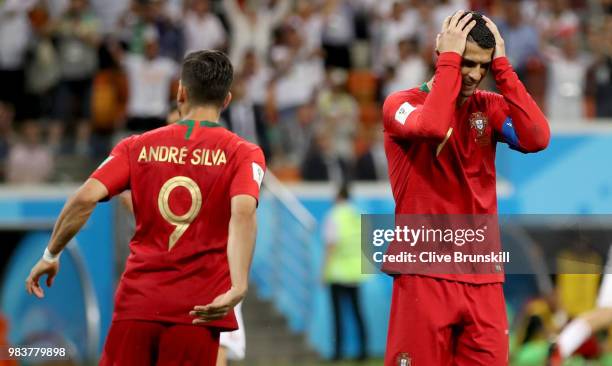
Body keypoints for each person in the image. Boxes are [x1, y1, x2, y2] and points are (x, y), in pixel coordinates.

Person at [25, 50, 266, 365]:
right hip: (198, 312)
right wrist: (239, 284)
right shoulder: (243, 154)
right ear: (227, 100)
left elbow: (85, 198)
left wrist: (51, 254)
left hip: (138, 305)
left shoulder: (136, 146)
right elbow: (244, 213)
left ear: (180, 91)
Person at [382, 11, 550, 365]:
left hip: (483, 276)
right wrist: (449, 62)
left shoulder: (487, 109)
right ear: (442, 56)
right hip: (424, 271)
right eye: (466, 62)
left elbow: (537, 138)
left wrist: (504, 69)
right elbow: (432, 125)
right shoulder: (400, 104)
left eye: (483, 66)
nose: (475, 74)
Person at [322, 183, 368, 361]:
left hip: (338, 272)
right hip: (356, 272)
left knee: (338, 315)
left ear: (337, 196)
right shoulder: (356, 214)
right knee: (358, 313)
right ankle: (363, 351)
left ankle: (338, 353)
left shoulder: (334, 216)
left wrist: (323, 272)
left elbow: (330, 246)